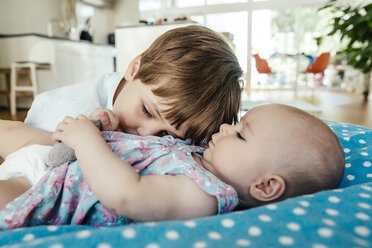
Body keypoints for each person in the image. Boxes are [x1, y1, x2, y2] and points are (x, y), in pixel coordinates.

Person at [0, 104, 345, 228]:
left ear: (265, 186)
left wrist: (88, 141)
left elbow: (126, 193)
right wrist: (105, 126)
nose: (225, 128)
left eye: (240, 135)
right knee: (12, 131)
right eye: (235, 123)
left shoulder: (203, 195)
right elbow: (141, 151)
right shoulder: (200, 156)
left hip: (46, 192)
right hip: (58, 158)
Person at [24, 25, 243, 145]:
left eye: (168, 135)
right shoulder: (63, 109)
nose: (147, 134)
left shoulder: (150, 96)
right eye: (147, 111)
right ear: (134, 69)